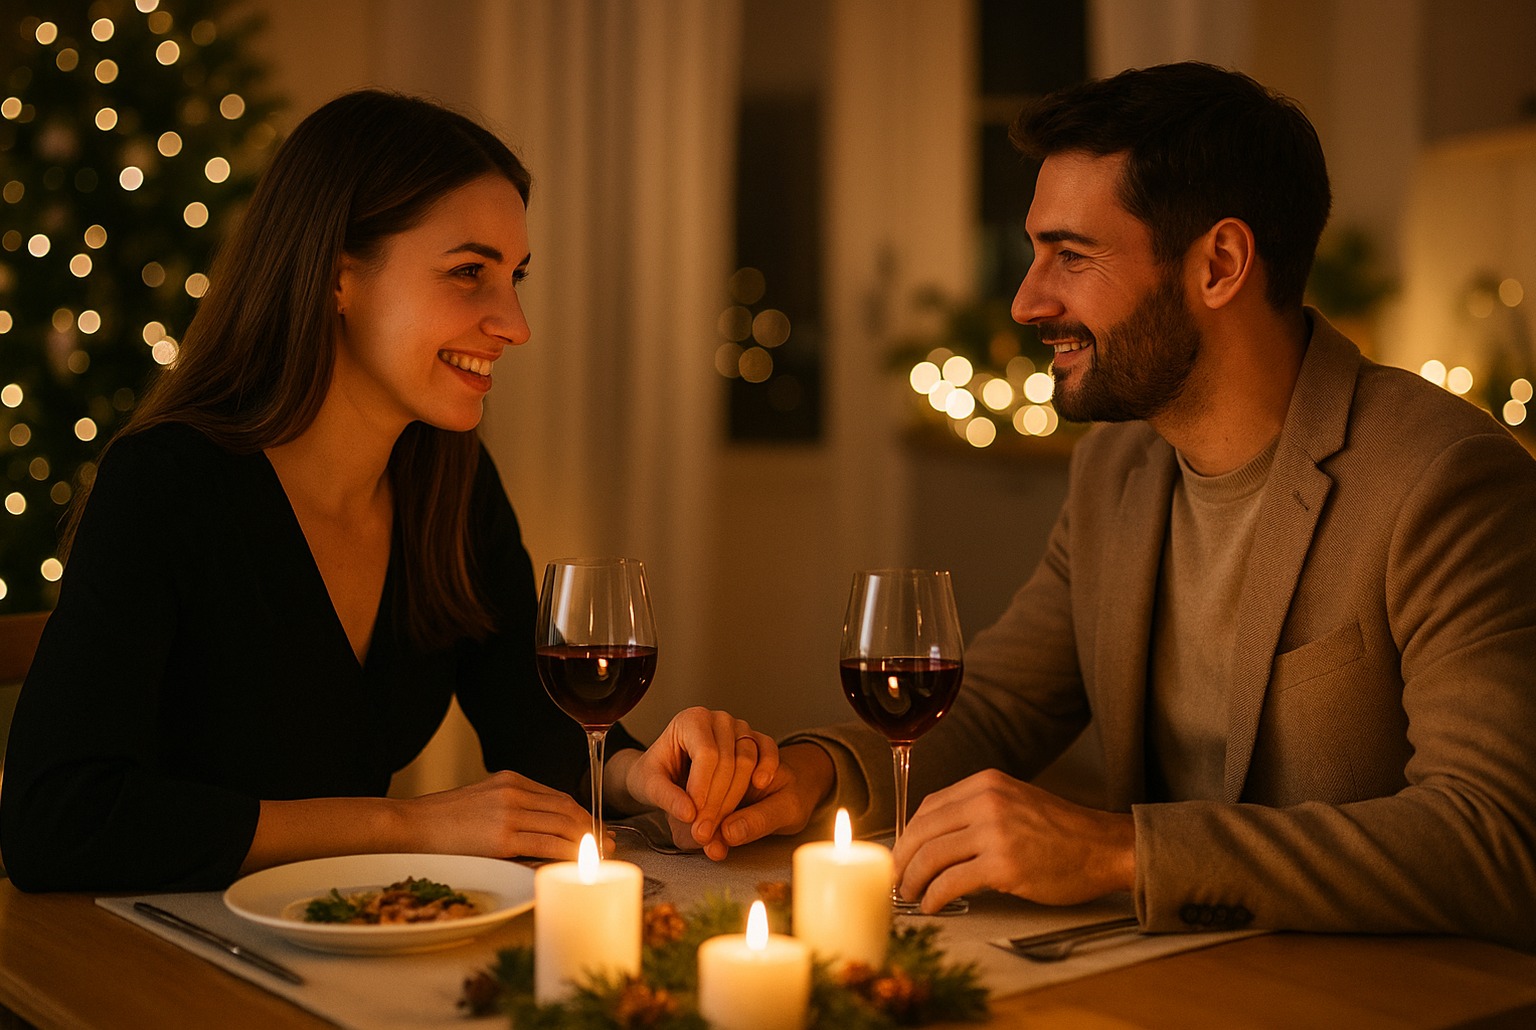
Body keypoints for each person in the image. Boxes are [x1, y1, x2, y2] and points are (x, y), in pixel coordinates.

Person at [718, 62, 1536, 949]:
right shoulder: (1116, 467)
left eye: (1072, 255)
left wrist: (1121, 853)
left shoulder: (1446, 479)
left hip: (1371, 991)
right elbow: (1000, 704)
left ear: (1220, 265)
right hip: (1155, 975)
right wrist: (804, 775)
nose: (1027, 300)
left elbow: (1494, 839)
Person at [0, 90, 776, 892]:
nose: (515, 323)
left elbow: (533, 724)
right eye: (469, 273)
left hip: (340, 931)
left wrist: (641, 774)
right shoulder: (168, 482)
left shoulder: (449, 480)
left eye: (515, 277)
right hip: (141, 949)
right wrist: (406, 826)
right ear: (338, 279)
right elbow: (54, 819)